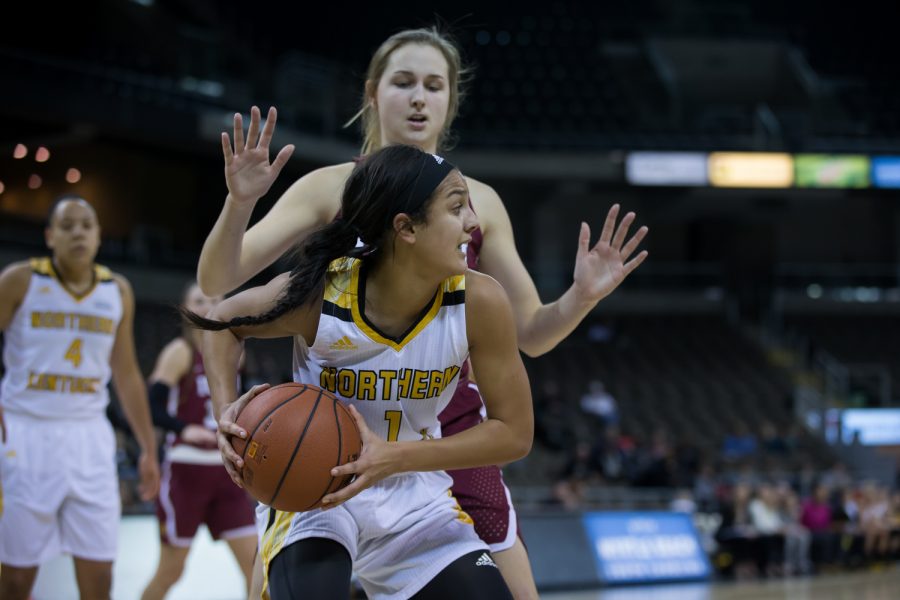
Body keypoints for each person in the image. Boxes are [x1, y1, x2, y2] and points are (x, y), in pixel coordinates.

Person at [197, 27, 647, 598]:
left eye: (434, 86)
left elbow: (531, 334)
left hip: (445, 422)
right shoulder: (331, 186)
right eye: (403, 82)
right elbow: (217, 286)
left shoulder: (479, 203)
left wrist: (581, 297)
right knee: (283, 576)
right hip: (333, 422)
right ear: (371, 93)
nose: (418, 98)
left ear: (450, 102)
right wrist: (239, 205)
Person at [193, 144, 533, 599]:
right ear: (405, 228)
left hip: (415, 497)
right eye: (457, 208)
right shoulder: (323, 293)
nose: (473, 223)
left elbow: (514, 433)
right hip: (316, 491)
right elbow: (219, 324)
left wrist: (392, 458)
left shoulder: (480, 302)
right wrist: (226, 413)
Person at [0, 196, 160, 600]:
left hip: (90, 437)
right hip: (24, 433)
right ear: (50, 236)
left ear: (99, 236)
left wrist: (147, 448)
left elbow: (126, 374)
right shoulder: (20, 281)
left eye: (86, 225)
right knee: (16, 578)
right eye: (67, 225)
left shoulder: (116, 290)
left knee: (99, 575)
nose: (77, 233)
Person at [140, 283, 257, 600]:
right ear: (186, 309)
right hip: (186, 472)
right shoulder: (180, 352)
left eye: (213, 300)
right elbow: (148, 406)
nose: (207, 306)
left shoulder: (237, 353)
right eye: (198, 301)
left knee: (256, 567)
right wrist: (182, 427)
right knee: (171, 571)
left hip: (228, 472)